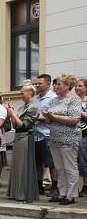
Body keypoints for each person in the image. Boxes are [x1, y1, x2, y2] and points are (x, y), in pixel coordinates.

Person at [42, 73, 82, 204]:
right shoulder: (54, 100)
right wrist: (47, 117)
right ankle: (62, 193)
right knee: (59, 168)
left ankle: (71, 195)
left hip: (69, 139)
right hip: (55, 138)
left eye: (59, 84)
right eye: (55, 84)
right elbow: (50, 120)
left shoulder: (74, 100)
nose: (56, 86)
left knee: (70, 167)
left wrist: (54, 117)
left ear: (67, 86)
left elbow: (74, 119)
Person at [6, 83, 40, 201]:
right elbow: (15, 125)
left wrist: (13, 114)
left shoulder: (33, 107)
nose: (21, 95)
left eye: (23, 92)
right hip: (18, 137)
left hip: (26, 138)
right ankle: (15, 193)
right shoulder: (22, 107)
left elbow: (23, 125)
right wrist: (11, 115)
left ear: (30, 93)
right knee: (17, 166)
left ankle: (24, 193)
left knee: (24, 166)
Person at [33, 74, 58, 194]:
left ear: (48, 84)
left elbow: (53, 117)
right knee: (38, 162)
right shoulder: (35, 98)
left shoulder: (53, 98)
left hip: (47, 134)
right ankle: (39, 186)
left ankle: (55, 186)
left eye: (39, 83)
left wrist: (37, 117)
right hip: (35, 135)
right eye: (36, 83)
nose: (37, 85)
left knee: (51, 163)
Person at [75, 78, 87, 197]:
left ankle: (85, 186)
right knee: (80, 162)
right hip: (75, 134)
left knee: (84, 160)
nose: (77, 88)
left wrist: (79, 112)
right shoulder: (75, 101)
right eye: (76, 86)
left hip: (85, 134)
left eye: (80, 86)